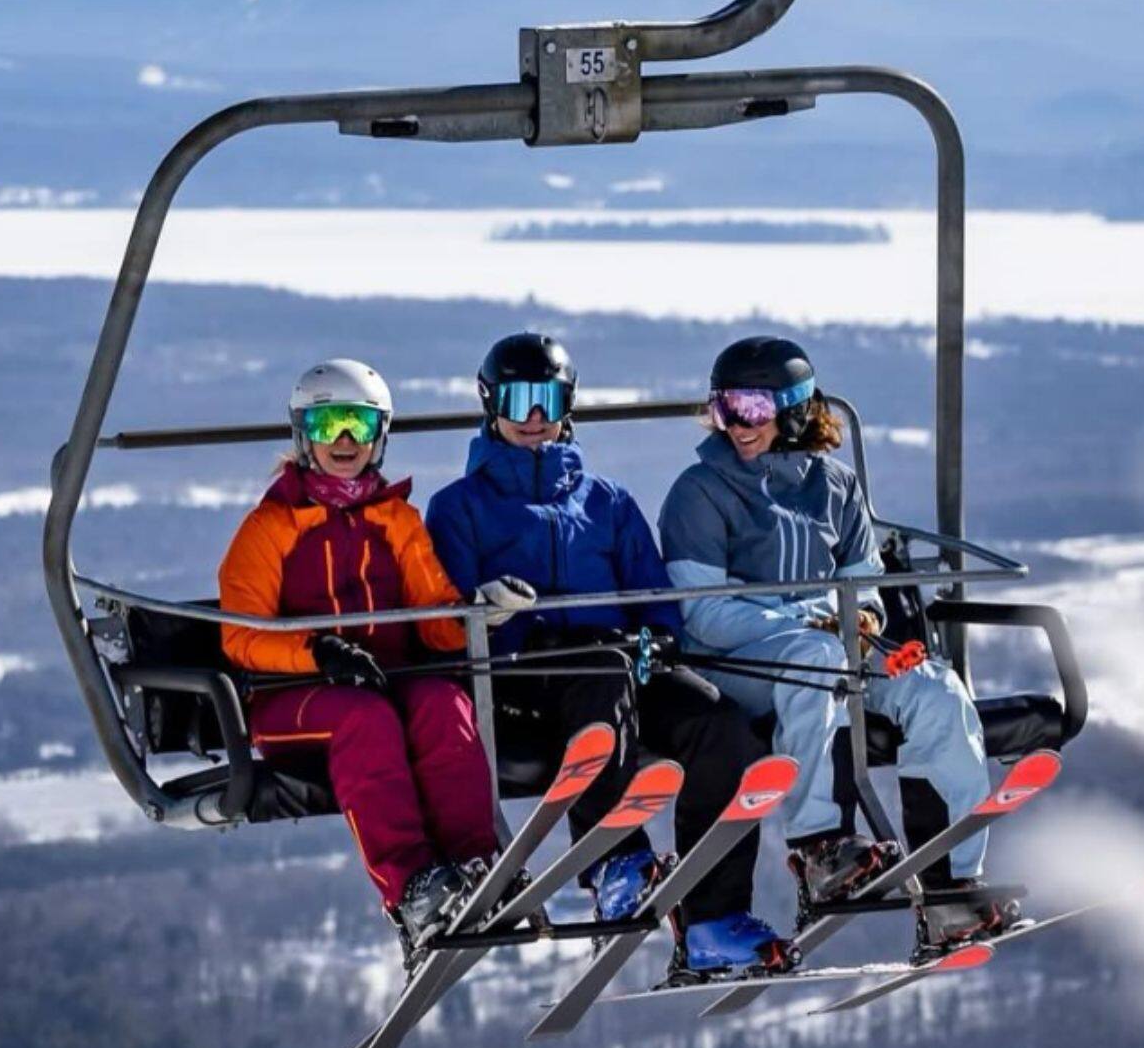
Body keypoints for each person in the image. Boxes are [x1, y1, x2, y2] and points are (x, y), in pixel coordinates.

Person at [425, 332, 795, 982]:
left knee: (720, 724)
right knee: (597, 672)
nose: (533, 415)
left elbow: (653, 596)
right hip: (522, 678)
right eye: (518, 398)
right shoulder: (459, 508)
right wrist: (492, 614)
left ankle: (711, 918)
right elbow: (451, 617)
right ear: (491, 403)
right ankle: (615, 861)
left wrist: (657, 639)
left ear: (567, 404)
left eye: (547, 398)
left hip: (623, 669)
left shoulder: (608, 502)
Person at [657, 335, 1009, 956]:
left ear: (795, 410)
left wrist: (861, 623)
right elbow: (706, 615)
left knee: (936, 689)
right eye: (725, 408)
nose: (737, 424)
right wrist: (809, 627)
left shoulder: (836, 488)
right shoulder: (700, 493)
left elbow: (863, 589)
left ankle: (951, 882)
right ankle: (821, 848)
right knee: (816, 663)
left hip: (836, 649)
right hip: (740, 664)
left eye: (754, 408)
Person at [218, 358, 523, 965]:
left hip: (387, 684)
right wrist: (316, 652)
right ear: (304, 433)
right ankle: (412, 887)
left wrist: (476, 617)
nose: (346, 441)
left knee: (444, 703)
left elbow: (433, 618)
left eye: (359, 423)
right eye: (329, 424)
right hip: (291, 700)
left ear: (380, 433)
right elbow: (241, 636)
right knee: (364, 720)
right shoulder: (272, 527)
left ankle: (476, 865)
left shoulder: (396, 520)